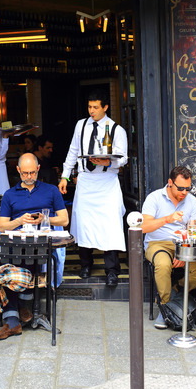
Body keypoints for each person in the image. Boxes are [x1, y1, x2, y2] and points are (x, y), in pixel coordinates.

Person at [0, 153, 69, 340]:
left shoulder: (51, 190)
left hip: (41, 244)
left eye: (32, 173)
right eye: (25, 173)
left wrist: (45, 219)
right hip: (16, 243)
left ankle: (17, 312)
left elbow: (64, 219)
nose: (29, 177)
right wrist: (19, 220)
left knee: (26, 257)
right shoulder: (10, 194)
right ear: (18, 171)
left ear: (38, 169)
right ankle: (18, 313)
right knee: (10, 261)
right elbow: (2, 225)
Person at [58, 89, 128, 287]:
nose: (92, 111)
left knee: (110, 226)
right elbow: (73, 151)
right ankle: (85, 265)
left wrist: (107, 162)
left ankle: (112, 270)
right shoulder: (81, 125)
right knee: (84, 224)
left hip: (107, 183)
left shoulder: (116, 130)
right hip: (86, 181)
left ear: (105, 107)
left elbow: (123, 158)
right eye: (89, 107)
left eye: (96, 107)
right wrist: (65, 175)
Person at [141, 166, 196, 330]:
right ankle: (166, 308)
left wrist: (184, 252)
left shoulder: (191, 201)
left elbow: (192, 230)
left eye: (188, 188)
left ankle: (175, 290)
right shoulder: (155, 198)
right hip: (157, 242)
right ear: (170, 183)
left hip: (182, 242)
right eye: (180, 188)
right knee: (163, 265)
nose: (184, 192)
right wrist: (168, 219)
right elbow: (144, 227)